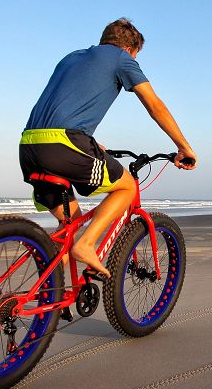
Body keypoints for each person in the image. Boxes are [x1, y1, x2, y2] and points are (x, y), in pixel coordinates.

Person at [20, 18, 197, 279]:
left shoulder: (71, 58)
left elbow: (66, 104)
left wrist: (88, 141)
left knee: (69, 226)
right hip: (64, 144)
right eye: (136, 56)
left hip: (29, 146)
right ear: (129, 49)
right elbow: (154, 105)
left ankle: (51, 294)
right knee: (127, 187)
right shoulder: (121, 58)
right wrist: (183, 147)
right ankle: (87, 245)